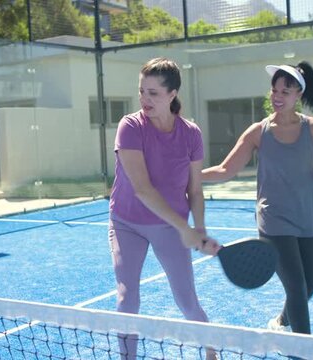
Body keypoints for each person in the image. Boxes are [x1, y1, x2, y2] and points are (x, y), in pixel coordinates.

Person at [202, 61, 313, 335]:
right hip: (274, 221)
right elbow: (226, 169)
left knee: (308, 287)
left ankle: (281, 322)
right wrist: (189, 176)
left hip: (308, 218)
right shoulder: (258, 132)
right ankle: (303, 351)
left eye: (285, 91)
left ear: (299, 95)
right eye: (274, 90)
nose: (277, 96)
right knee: (295, 286)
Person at [108, 57, 220, 359]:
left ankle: (212, 352)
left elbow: (195, 190)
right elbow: (143, 189)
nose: (144, 99)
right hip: (127, 222)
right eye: (142, 91)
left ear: (172, 94)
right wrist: (186, 229)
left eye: (153, 93)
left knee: (187, 302)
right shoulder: (129, 126)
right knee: (127, 296)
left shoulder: (191, 134)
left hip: (169, 227)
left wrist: (199, 229)